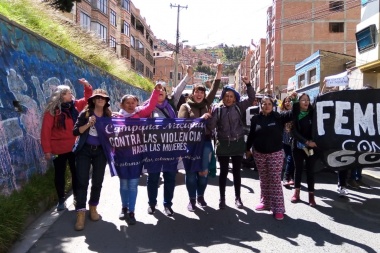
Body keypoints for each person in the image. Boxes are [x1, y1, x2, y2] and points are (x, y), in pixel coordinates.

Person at [147, 66, 194, 216]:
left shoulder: (172, 104)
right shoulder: (148, 107)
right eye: (157, 89)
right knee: (153, 177)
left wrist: (188, 76)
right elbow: (135, 117)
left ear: (167, 94)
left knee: (169, 177)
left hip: (170, 148)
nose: (160, 91)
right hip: (154, 149)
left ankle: (167, 204)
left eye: (163, 90)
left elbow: (179, 90)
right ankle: (152, 204)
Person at [41, 78, 92, 211]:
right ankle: (61, 200)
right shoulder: (52, 112)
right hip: (58, 149)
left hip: (74, 147)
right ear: (61, 96)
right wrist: (47, 150)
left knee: (77, 173)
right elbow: (45, 132)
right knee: (59, 174)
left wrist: (87, 86)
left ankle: (77, 197)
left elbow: (87, 99)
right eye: (68, 93)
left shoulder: (74, 107)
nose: (71, 95)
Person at [178, 63, 222, 212]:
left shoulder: (206, 103)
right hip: (189, 145)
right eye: (197, 92)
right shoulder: (185, 107)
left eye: (202, 92)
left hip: (205, 143)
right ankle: (191, 200)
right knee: (190, 174)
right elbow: (181, 126)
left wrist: (219, 71)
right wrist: (200, 119)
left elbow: (215, 88)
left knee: (203, 172)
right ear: (193, 93)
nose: (200, 94)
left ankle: (200, 196)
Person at [117, 83, 162, 225]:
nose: (131, 105)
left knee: (133, 185)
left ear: (136, 104)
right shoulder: (116, 116)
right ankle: (123, 208)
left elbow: (150, 106)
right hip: (121, 156)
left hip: (136, 155)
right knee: (124, 184)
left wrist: (156, 91)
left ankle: (131, 211)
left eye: (133, 103)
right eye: (128, 103)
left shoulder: (139, 113)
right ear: (122, 105)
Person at [207, 76, 255, 209]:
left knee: (237, 172)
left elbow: (251, 98)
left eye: (231, 96)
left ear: (235, 98)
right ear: (223, 97)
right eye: (226, 96)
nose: (229, 98)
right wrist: (210, 116)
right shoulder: (218, 109)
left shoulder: (239, 106)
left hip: (238, 143)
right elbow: (210, 127)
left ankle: (238, 198)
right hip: (223, 144)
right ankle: (222, 198)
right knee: (223, 173)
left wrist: (248, 84)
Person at [245, 96, 293, 220]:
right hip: (259, 153)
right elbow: (251, 135)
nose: (267, 106)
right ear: (261, 106)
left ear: (273, 105)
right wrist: (247, 149)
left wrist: (296, 100)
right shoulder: (256, 118)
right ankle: (265, 202)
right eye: (264, 104)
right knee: (264, 179)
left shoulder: (278, 117)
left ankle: (278, 208)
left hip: (275, 153)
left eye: (269, 104)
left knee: (275, 180)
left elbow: (293, 113)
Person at [72, 88, 112, 231]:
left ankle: (93, 208)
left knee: (97, 181)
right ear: (94, 100)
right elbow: (75, 131)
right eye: (98, 97)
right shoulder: (86, 113)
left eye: (103, 98)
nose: (100, 99)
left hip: (100, 152)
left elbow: (112, 134)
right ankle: (81, 213)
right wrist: (88, 123)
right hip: (84, 151)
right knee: (82, 181)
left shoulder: (108, 115)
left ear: (106, 101)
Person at [290, 93, 318, 207]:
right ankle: (296, 193)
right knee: (298, 169)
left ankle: (311, 196)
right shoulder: (294, 114)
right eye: (303, 100)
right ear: (298, 102)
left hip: (311, 148)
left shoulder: (313, 114)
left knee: (310, 171)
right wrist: (306, 142)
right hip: (298, 146)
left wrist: (313, 142)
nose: (306, 102)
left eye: (307, 100)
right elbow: (293, 132)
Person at [280, 95, 295, 187]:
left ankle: (291, 177)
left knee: (292, 159)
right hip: (285, 140)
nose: (287, 102)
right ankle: (286, 178)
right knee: (290, 159)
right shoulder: (282, 114)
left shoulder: (296, 113)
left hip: (295, 140)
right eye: (286, 101)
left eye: (289, 101)